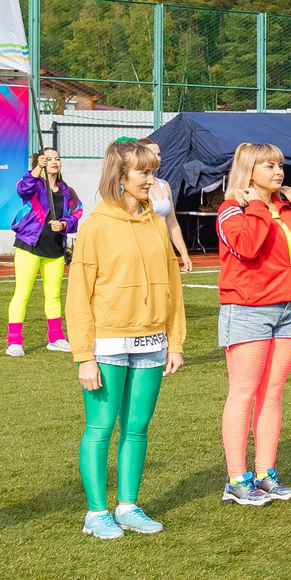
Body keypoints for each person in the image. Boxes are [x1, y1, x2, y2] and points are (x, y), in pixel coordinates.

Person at [65, 136, 186, 537]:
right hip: (106, 345)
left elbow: (173, 285)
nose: (152, 179)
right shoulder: (96, 225)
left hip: (152, 341)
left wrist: (176, 341)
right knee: (100, 428)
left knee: (137, 428)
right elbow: (79, 294)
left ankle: (129, 506)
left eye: (153, 171)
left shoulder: (155, 222)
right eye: (144, 172)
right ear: (119, 175)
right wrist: (84, 354)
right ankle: (96, 513)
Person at [216, 141, 291, 504]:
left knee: (273, 392)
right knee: (244, 392)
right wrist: (256, 208)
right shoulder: (232, 210)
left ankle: (265, 473)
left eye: (279, 165)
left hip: (289, 310)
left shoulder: (287, 208)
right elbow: (247, 247)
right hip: (249, 309)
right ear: (249, 171)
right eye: (268, 166)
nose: (278, 172)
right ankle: (236, 480)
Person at [7, 145, 80, 356]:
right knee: (22, 294)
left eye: (57, 158)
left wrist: (65, 223)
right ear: (41, 162)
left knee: (54, 295)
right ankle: (14, 342)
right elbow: (23, 189)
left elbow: (77, 211)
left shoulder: (67, 191)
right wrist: (36, 170)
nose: (54, 161)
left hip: (55, 249)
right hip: (29, 246)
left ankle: (56, 338)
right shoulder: (34, 184)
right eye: (49, 158)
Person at [149, 174, 195, 272]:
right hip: (146, 248)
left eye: (159, 157)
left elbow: (172, 223)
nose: (158, 158)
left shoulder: (164, 185)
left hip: (164, 247)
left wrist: (184, 253)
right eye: (156, 156)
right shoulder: (131, 186)